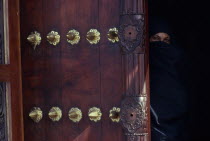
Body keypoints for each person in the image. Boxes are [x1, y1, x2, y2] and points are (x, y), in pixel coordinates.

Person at [149, 16, 189, 141]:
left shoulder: (179, 76)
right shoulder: (139, 75)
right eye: (156, 38)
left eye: (166, 40)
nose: (161, 44)